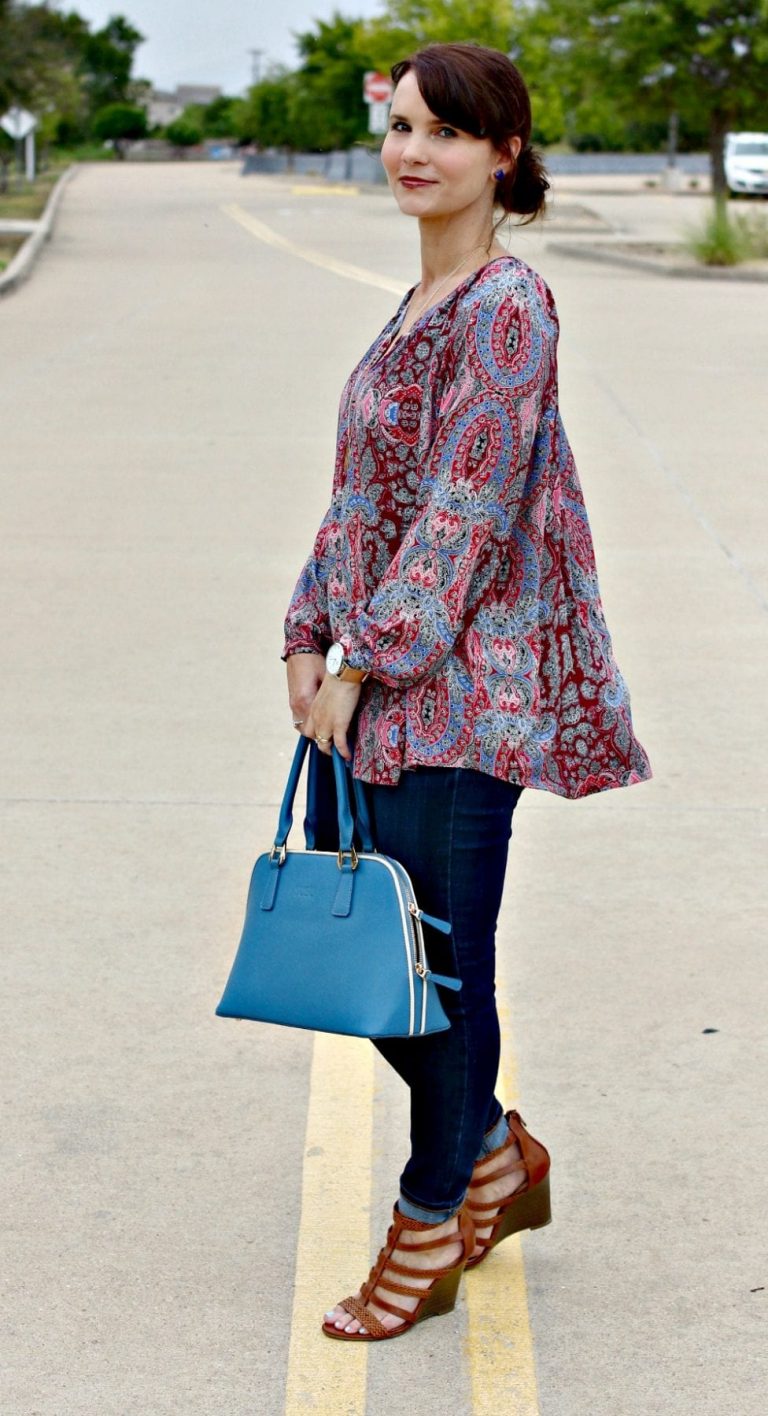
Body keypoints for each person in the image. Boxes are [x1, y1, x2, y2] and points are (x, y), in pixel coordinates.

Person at [282, 41, 652, 1343]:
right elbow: (363, 500)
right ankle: (497, 1152)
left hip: (466, 697)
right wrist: (305, 636)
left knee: (439, 970)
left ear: (505, 153)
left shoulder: (506, 306)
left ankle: (434, 1215)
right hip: (375, 691)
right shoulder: (412, 306)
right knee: (381, 970)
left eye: (445, 130)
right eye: (401, 126)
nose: (412, 150)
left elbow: (462, 512)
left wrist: (366, 659)